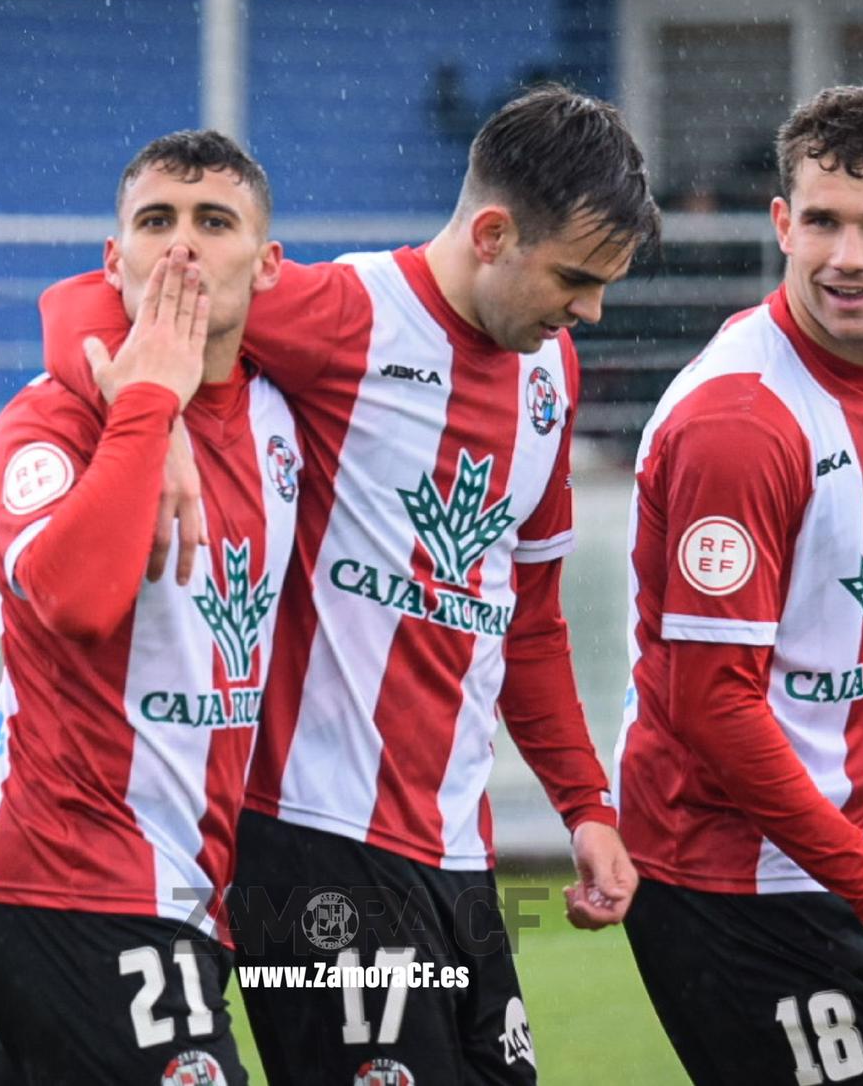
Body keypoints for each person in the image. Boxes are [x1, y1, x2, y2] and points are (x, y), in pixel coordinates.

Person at [41, 83, 662, 1084]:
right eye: (575, 278)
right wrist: (143, 416)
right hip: (309, 845)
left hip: (457, 854)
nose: (587, 309)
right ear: (494, 233)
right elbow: (106, 291)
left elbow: (529, 621)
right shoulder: (345, 314)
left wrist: (585, 804)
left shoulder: (551, 371)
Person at [611, 85, 863, 1086]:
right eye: (821, 219)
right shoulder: (740, 423)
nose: (847, 256)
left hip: (840, 861)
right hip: (725, 877)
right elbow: (710, 705)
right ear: (781, 221)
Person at [0, 131, 300, 1085]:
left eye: (213, 222)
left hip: (193, 880)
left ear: (269, 266)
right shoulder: (48, 421)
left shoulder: (290, 409)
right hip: (75, 875)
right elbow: (74, 602)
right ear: (115, 259)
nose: (181, 247)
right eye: (156, 222)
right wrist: (147, 407)